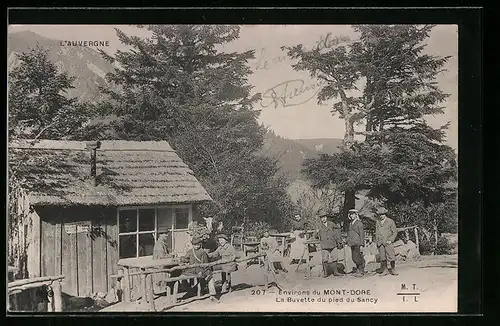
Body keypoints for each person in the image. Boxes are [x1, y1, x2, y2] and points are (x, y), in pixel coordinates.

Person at [180, 236, 219, 302]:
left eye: (198, 245)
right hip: (192, 270)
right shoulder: (190, 251)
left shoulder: (203, 252)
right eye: (195, 245)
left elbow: (205, 264)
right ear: (193, 245)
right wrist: (182, 259)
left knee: (209, 277)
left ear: (200, 244)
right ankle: (190, 291)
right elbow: (186, 259)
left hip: (202, 269)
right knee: (182, 278)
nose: (196, 246)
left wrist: (201, 271)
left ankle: (212, 294)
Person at [317, 210, 343, 277]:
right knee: (325, 258)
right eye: (322, 217)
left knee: (334, 257)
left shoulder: (331, 224)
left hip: (332, 243)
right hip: (324, 245)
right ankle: (326, 273)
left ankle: (335, 272)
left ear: (326, 217)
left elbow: (338, 231)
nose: (324, 219)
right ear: (320, 219)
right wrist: (316, 234)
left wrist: (339, 241)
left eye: (325, 217)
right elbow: (315, 235)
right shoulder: (319, 226)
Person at [374, 208, 399, 276]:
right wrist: (377, 241)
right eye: (379, 215)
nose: (381, 216)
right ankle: (385, 270)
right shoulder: (378, 222)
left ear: (385, 214)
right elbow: (377, 232)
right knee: (383, 257)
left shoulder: (390, 221)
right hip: (380, 242)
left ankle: (393, 269)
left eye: (382, 214)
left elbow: (395, 232)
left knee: (391, 256)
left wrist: (390, 240)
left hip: (388, 242)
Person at [347, 209, 366, 277]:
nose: (351, 215)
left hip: (358, 242)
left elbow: (362, 234)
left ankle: (361, 270)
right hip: (352, 243)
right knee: (353, 258)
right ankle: (358, 269)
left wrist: (362, 244)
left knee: (357, 257)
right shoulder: (350, 223)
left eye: (353, 214)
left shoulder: (359, 223)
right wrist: (348, 241)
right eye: (350, 214)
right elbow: (349, 234)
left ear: (356, 215)